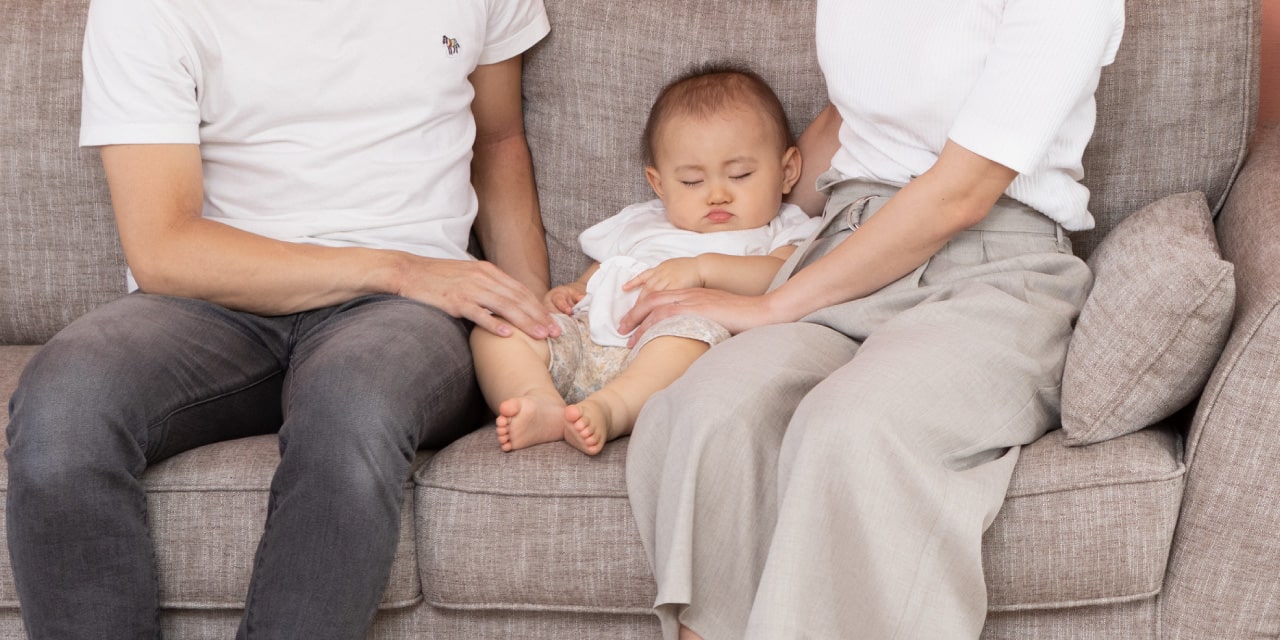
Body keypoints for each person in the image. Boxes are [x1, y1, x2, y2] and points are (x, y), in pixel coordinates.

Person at [5, 0, 557, 637]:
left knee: (352, 401)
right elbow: (164, 248)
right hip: (214, 300)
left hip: (407, 315)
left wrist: (531, 313)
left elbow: (498, 141)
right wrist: (397, 267)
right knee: (64, 404)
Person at [622, 2, 1126, 639]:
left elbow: (963, 191)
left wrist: (773, 302)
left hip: (993, 265)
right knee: (708, 408)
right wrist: (722, 244)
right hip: (842, 247)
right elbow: (853, 111)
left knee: (852, 427)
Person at [471, 66, 819, 455]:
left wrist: (702, 269)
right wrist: (573, 290)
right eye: (691, 182)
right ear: (659, 184)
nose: (717, 195)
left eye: (740, 175)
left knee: (685, 340)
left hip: (667, 343)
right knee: (497, 330)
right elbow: (608, 265)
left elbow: (781, 276)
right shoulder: (642, 219)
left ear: (787, 171)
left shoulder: (782, 228)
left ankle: (611, 409)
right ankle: (539, 400)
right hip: (586, 340)